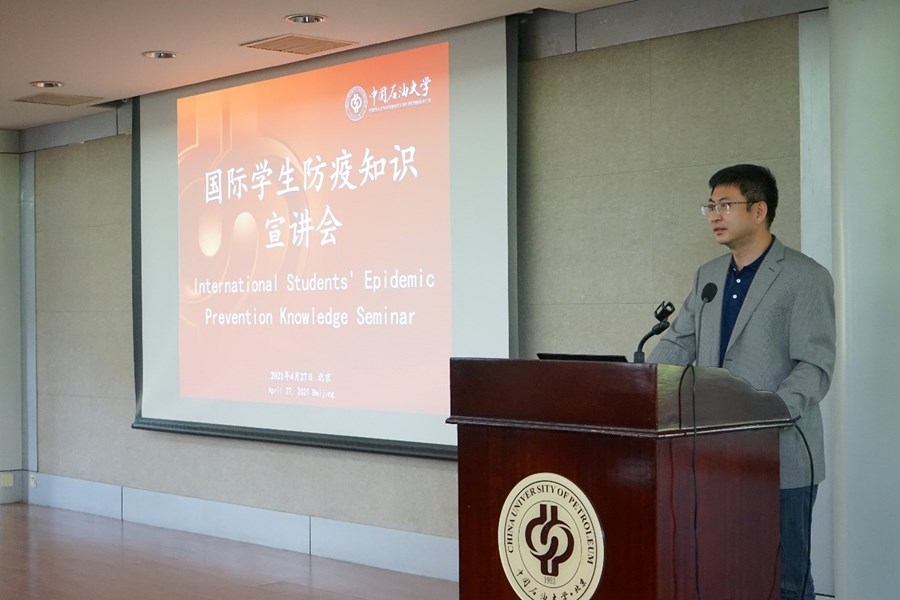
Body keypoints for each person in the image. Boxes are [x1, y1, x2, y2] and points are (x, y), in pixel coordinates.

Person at [648, 164, 835, 600]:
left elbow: (815, 366)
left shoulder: (806, 277)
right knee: (724, 570)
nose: (715, 214)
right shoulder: (708, 276)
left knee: (786, 580)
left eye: (725, 205)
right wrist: (639, 385)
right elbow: (678, 343)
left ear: (759, 210)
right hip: (714, 455)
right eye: (710, 206)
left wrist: (768, 412)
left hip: (782, 454)